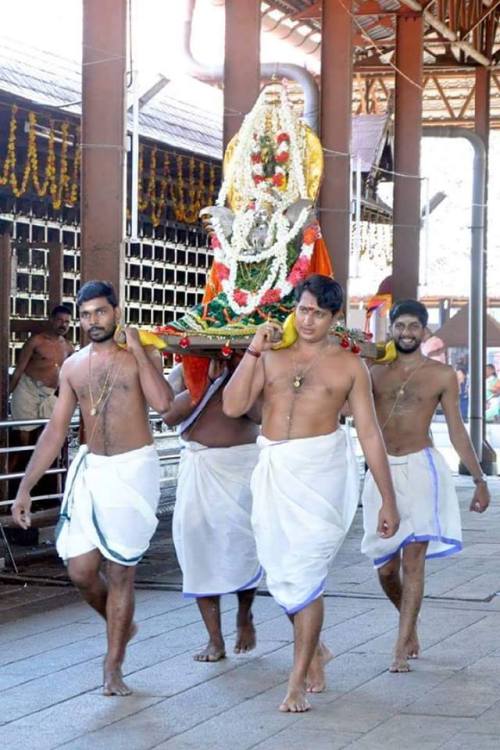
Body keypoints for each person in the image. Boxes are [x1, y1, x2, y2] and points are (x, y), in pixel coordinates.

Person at [223, 274, 399, 713]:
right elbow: (231, 405)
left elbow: (371, 434)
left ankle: (296, 682)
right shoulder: (271, 356)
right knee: (282, 577)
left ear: (334, 318)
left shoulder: (349, 366)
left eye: (319, 314)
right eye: (302, 310)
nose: (308, 320)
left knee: (306, 574)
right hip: (275, 473)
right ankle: (315, 649)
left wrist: (388, 500)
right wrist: (253, 350)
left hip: (321, 476)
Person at [11, 280, 173, 696]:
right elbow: (55, 430)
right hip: (93, 469)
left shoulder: (140, 354)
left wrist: (138, 350)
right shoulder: (74, 366)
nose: (91, 321)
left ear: (115, 312)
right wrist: (25, 487)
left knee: (121, 572)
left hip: (133, 468)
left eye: (100, 312)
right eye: (85, 315)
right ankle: (121, 623)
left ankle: (112, 665)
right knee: (81, 571)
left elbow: (165, 404)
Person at [361, 299, 490, 674]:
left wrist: (479, 478)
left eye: (413, 327)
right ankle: (410, 620)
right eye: (399, 326)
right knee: (386, 569)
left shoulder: (441, 375)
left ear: (424, 330)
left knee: (413, 560)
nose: (405, 333)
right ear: (391, 329)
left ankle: (400, 646)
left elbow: (455, 429)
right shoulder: (373, 370)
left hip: (421, 467)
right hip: (382, 470)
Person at [163, 355, 262, 662]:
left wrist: (236, 377)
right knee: (197, 549)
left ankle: (244, 614)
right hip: (198, 465)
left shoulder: (252, 363)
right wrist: (201, 381)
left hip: (240, 467)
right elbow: (167, 414)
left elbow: (259, 414)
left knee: (242, 546)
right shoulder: (187, 367)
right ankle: (214, 639)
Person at [10, 305, 74, 442]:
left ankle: (44, 462)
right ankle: (24, 459)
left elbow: (70, 374)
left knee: (48, 430)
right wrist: (6, 395)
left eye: (67, 322)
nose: (63, 324)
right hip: (27, 389)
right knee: (24, 429)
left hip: (50, 393)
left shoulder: (68, 347)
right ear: (52, 320)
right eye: (60, 320)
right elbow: (19, 369)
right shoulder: (36, 341)